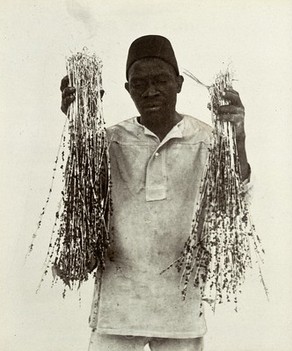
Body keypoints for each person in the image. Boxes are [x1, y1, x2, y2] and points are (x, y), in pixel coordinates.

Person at [60, 35, 250, 351]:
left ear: (178, 83)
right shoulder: (110, 140)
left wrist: (238, 137)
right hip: (118, 309)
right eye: (139, 84)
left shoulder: (206, 138)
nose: (150, 91)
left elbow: (235, 193)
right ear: (127, 89)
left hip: (180, 309)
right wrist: (77, 122)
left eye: (161, 80)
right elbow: (84, 196)